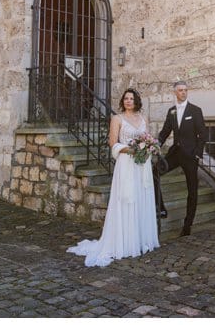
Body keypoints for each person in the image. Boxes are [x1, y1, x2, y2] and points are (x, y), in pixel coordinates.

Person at [67, 88, 159, 266]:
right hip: (126, 163)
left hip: (142, 165)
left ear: (136, 101)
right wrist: (131, 149)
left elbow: (147, 137)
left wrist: (148, 147)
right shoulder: (117, 119)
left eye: (131, 98)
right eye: (126, 98)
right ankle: (124, 242)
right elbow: (113, 143)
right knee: (127, 199)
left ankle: (141, 240)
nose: (128, 101)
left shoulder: (143, 118)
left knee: (141, 198)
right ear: (123, 101)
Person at [154, 81, 207, 237]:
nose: (183, 93)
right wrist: (154, 145)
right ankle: (161, 208)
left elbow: (203, 134)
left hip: (190, 156)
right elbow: (164, 132)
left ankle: (187, 225)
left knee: (192, 191)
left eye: (185, 90)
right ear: (175, 93)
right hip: (175, 153)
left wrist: (197, 153)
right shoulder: (171, 111)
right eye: (180, 90)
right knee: (153, 172)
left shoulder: (195, 110)